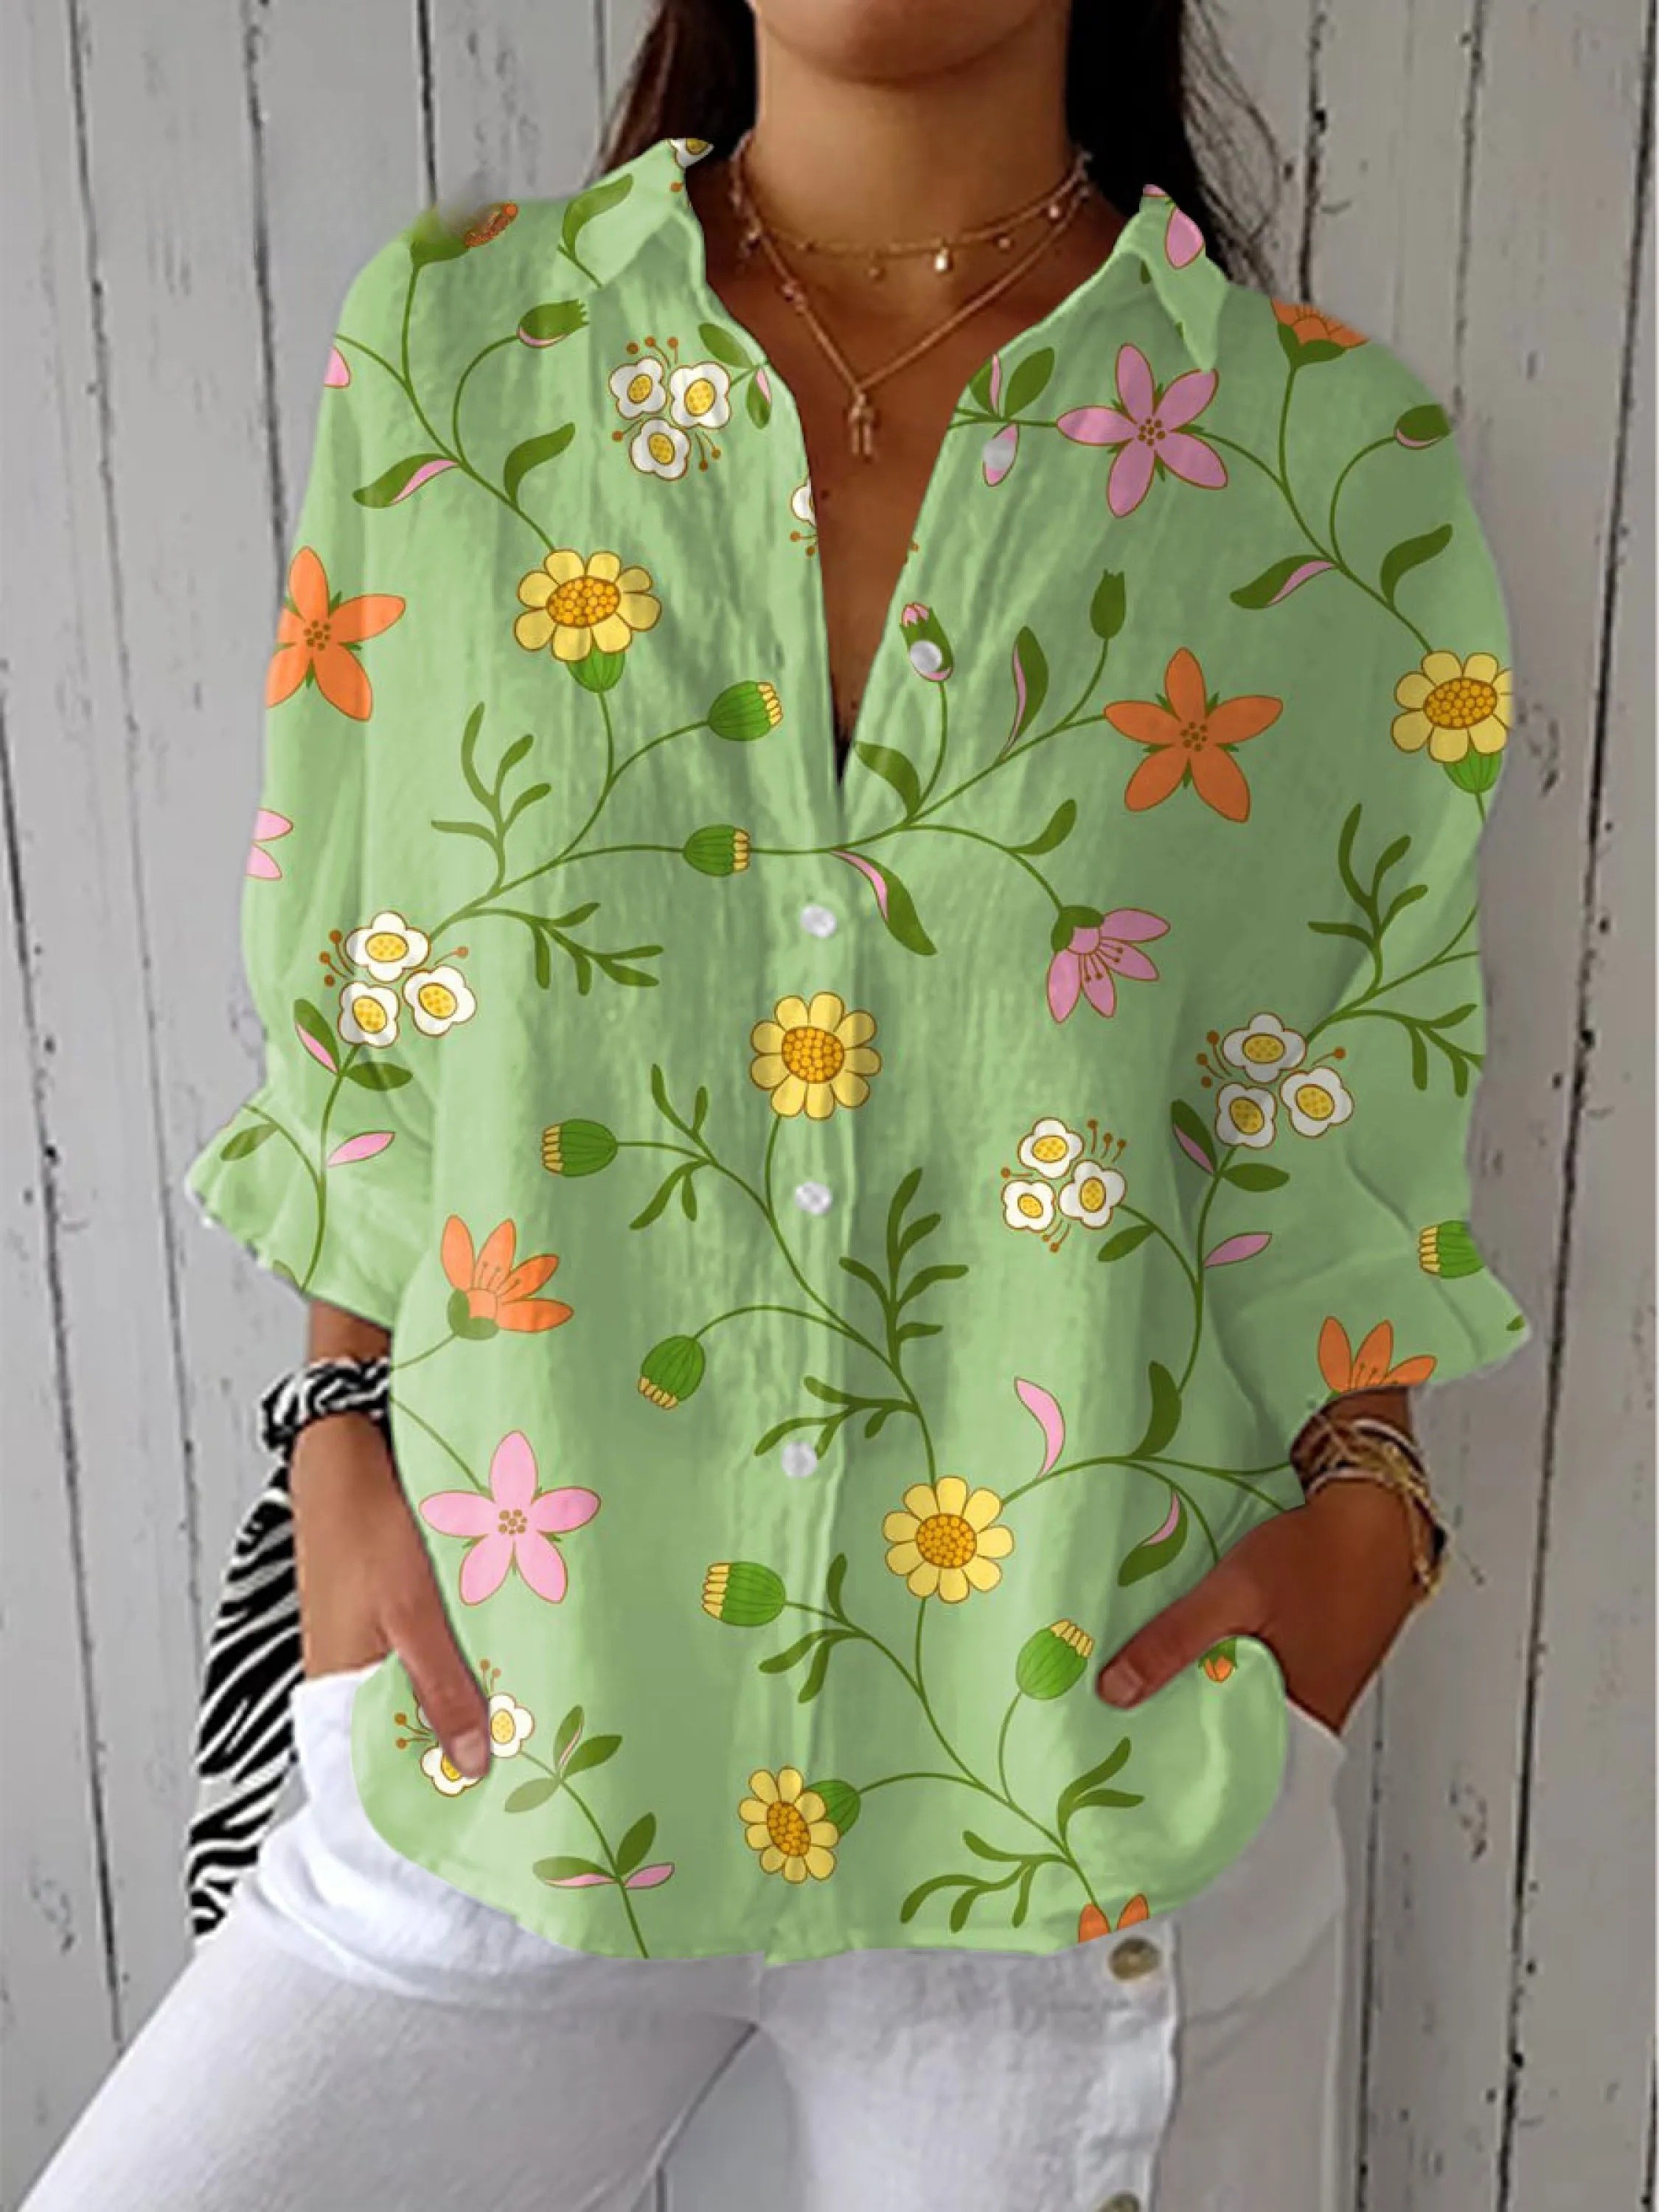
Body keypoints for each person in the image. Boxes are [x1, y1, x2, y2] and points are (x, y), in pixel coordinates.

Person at [26, 1, 1528, 2205]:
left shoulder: (1321, 457)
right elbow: (368, 983)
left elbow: (1351, 1082)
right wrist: (335, 1423)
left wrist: (1367, 1518)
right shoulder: (460, 355)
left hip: (1069, 1796)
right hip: (508, 1729)